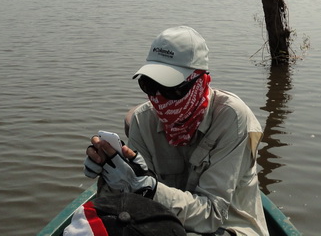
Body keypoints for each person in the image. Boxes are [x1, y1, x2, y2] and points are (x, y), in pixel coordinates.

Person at [82, 26, 269, 236]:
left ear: (200, 81)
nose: (159, 98)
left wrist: (148, 188)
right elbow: (133, 202)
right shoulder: (142, 121)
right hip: (164, 222)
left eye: (171, 89)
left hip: (228, 227)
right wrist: (110, 177)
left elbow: (213, 214)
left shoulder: (232, 119)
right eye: (150, 85)